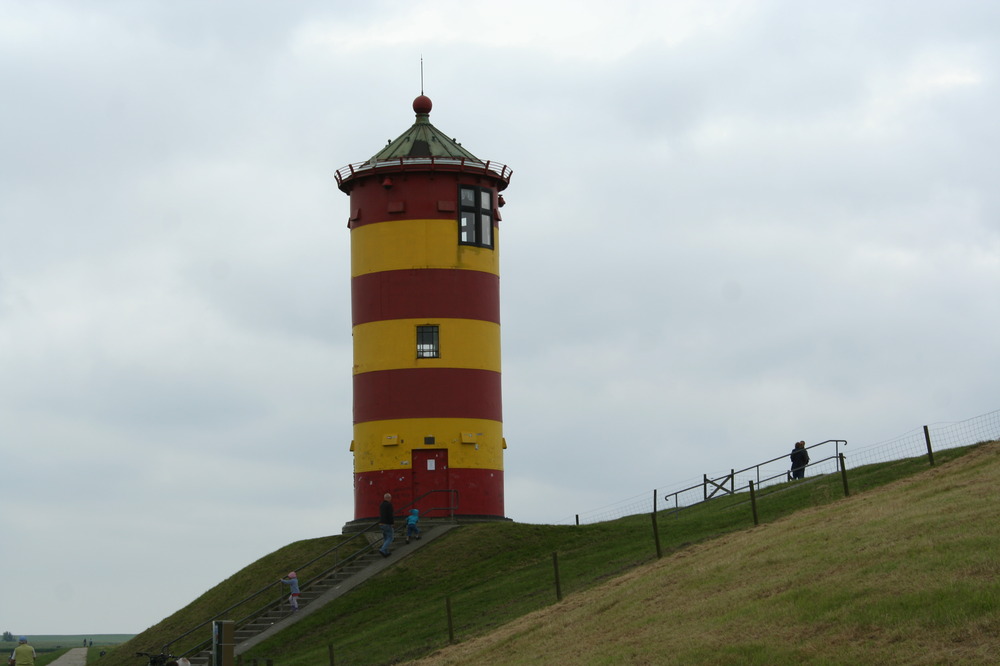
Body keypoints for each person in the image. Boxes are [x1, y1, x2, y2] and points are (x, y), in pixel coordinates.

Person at [379, 493, 395, 557]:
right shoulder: (389, 505)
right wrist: (392, 523)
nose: (391, 499)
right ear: (388, 498)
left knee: (386, 538)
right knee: (390, 538)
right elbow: (390, 515)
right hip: (387, 523)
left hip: (381, 523)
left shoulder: (381, 505)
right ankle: (383, 550)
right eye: (390, 498)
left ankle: (386, 552)